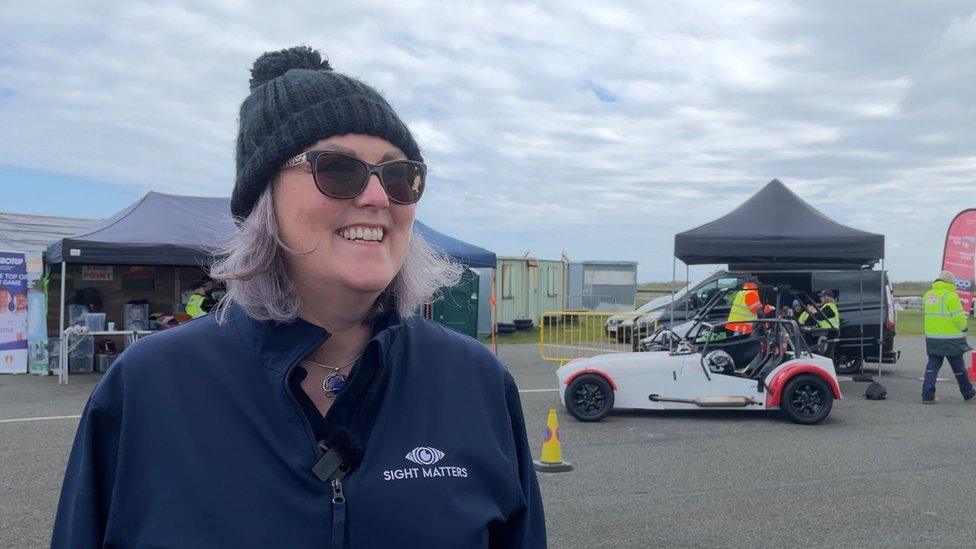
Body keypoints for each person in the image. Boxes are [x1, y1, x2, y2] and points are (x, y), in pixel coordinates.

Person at [52, 46, 545, 548]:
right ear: (264, 200)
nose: (377, 197)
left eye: (399, 176)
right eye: (337, 170)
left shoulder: (476, 381)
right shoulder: (149, 385)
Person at [921, 270, 975, 404]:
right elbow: (958, 318)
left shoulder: (927, 295)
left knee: (932, 366)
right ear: (951, 282)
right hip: (951, 339)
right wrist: (964, 328)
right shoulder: (951, 296)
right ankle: (969, 393)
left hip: (933, 338)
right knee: (958, 367)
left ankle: (927, 396)